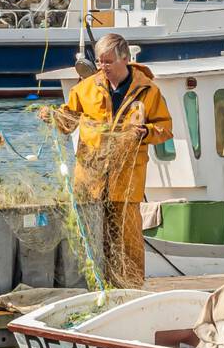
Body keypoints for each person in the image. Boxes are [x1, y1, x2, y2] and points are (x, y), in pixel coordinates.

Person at [42, 34, 172, 286]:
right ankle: (92, 286)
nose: (103, 67)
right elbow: (67, 121)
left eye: (108, 61)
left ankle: (130, 288)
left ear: (126, 59)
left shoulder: (148, 91)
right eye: (100, 62)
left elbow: (165, 128)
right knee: (92, 236)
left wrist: (146, 132)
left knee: (127, 240)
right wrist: (53, 117)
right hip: (90, 179)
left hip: (127, 180)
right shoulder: (85, 88)